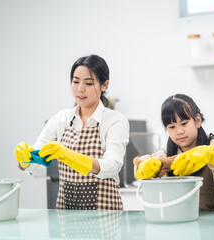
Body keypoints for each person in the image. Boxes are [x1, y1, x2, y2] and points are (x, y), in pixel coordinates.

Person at [15, 55, 129, 210]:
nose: (80, 89)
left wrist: (69, 156)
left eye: (88, 83)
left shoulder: (115, 120)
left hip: (104, 217)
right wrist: (25, 159)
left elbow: (113, 165)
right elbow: (36, 162)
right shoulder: (61, 119)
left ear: (104, 85)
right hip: (67, 217)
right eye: (75, 81)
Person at [134, 94, 214, 211]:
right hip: (178, 220)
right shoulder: (166, 153)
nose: (179, 131)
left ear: (197, 121)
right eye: (172, 127)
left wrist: (210, 153)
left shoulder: (212, 146)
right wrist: (143, 166)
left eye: (184, 123)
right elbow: (142, 166)